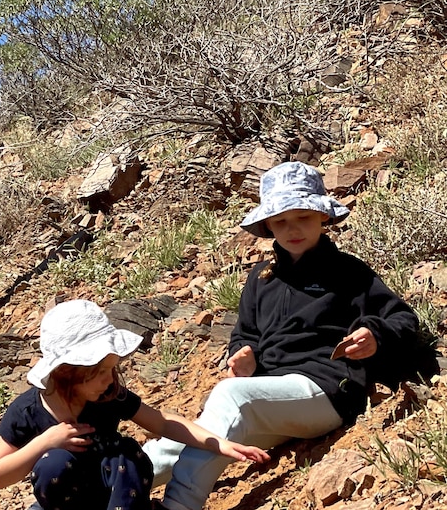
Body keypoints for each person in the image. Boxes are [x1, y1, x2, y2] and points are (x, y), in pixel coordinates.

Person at [142, 161, 427, 510]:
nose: (292, 229)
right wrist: (243, 352)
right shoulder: (261, 277)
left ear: (323, 218)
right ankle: (103, 485)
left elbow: (402, 318)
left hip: (326, 389)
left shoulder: (348, 272)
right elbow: (245, 333)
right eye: (280, 221)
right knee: (194, 436)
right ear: (268, 225)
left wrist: (374, 334)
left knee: (231, 396)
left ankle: (178, 505)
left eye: (303, 217)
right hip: (270, 398)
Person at [0, 299, 270, 510]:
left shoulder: (110, 395)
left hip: (118, 496)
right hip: (63, 501)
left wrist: (218, 443)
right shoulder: (27, 411)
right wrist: (45, 442)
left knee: (125, 454)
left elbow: (161, 422)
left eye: (112, 369)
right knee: (54, 463)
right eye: (97, 373)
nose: (108, 380)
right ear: (67, 373)